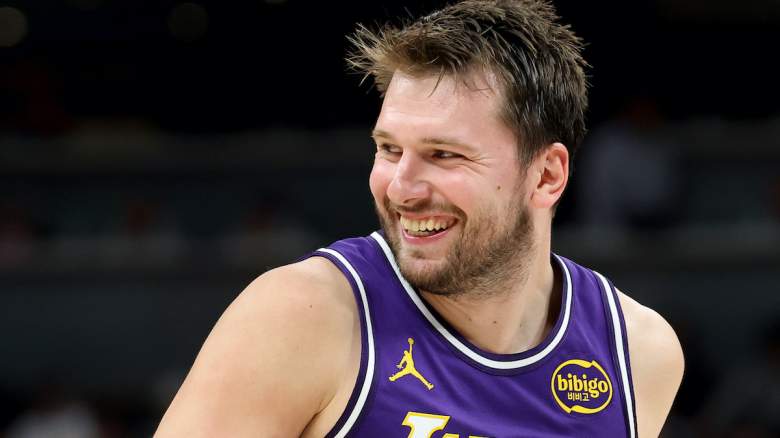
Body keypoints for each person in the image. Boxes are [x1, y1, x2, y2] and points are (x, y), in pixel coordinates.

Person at [155, 1, 684, 436]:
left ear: (546, 176)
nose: (401, 188)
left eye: (444, 155)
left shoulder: (639, 354)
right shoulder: (304, 315)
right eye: (389, 149)